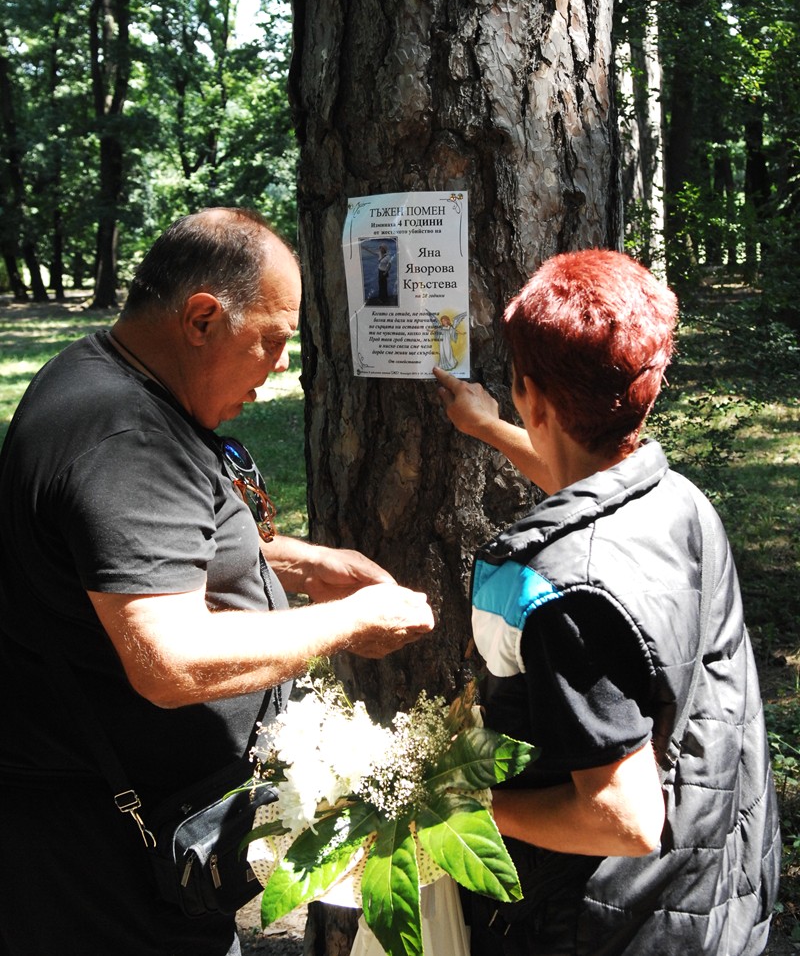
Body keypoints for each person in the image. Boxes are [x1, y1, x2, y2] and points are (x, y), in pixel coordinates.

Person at [0, 207, 435, 956]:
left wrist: (300, 564)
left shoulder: (104, 375)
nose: (273, 377)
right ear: (202, 317)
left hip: (130, 824)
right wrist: (349, 624)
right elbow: (167, 661)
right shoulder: (125, 438)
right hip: (102, 853)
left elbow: (133, 554)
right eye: (270, 343)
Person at [433, 249, 779, 956]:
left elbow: (622, 820)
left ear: (532, 395)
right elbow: (587, 490)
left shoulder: (563, 595)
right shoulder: (675, 499)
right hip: (715, 888)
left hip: (613, 926)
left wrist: (452, 807)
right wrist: (490, 428)